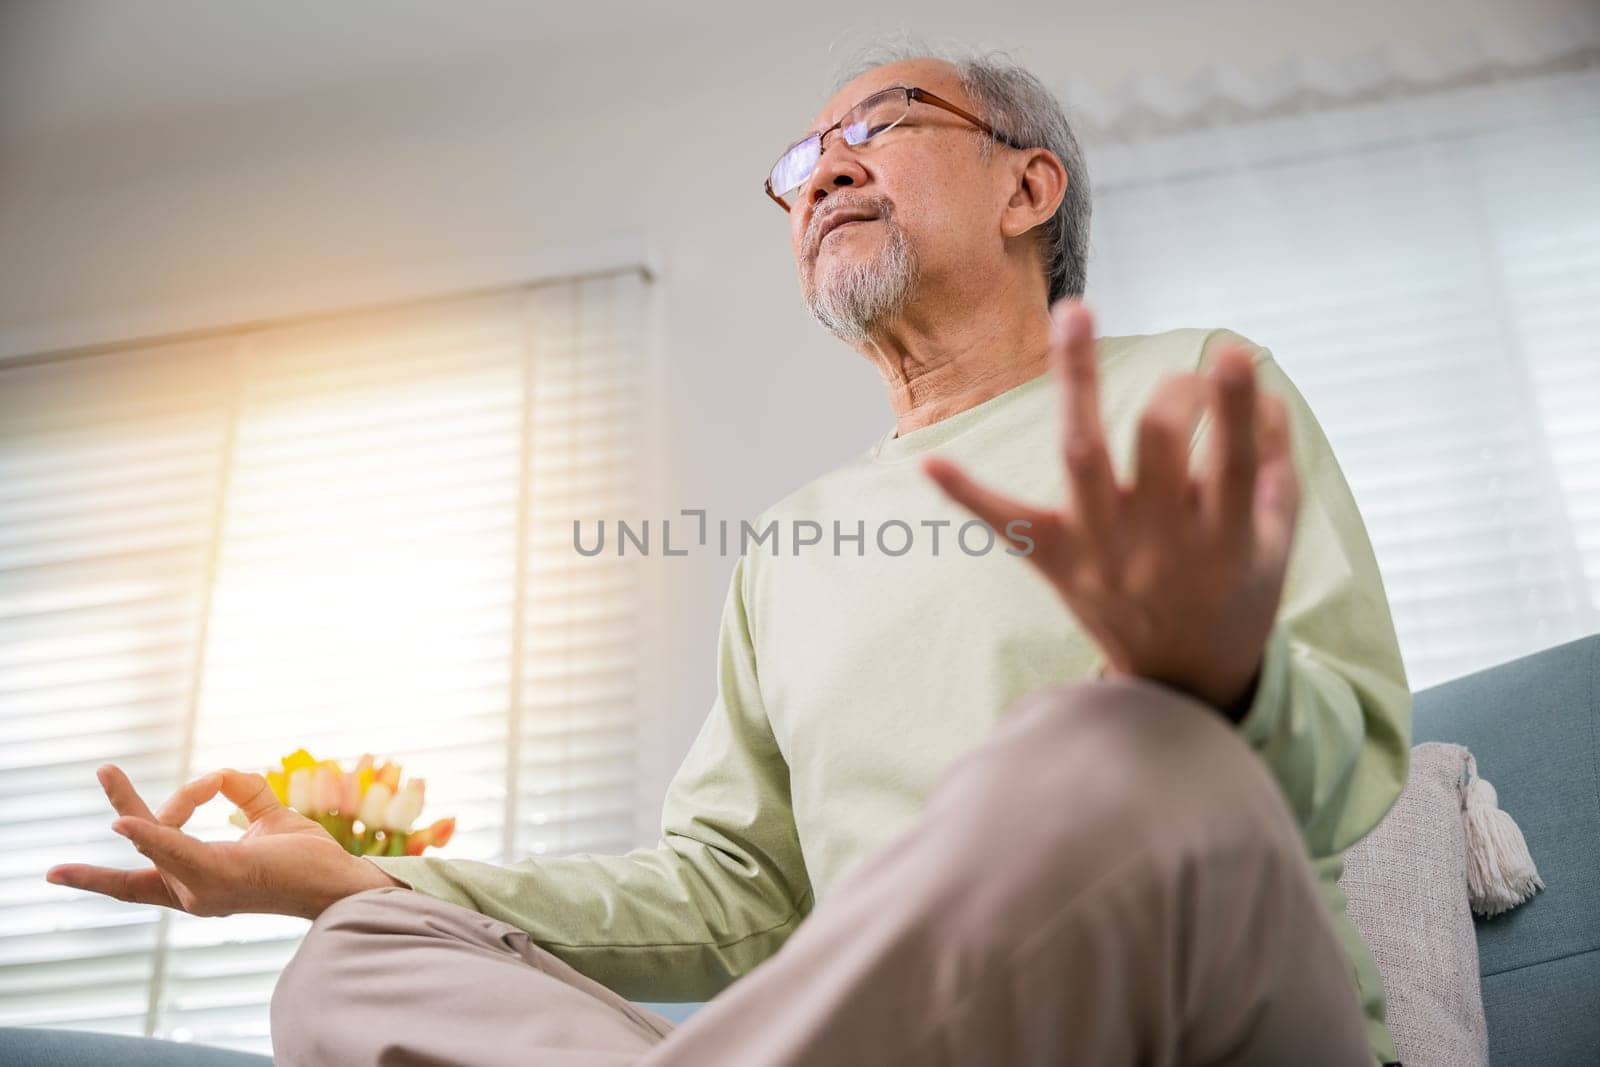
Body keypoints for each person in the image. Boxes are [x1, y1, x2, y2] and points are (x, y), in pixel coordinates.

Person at [47, 45, 1411, 1066]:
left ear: (1027, 185)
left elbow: (1353, 758)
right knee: (351, 971)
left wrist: (1218, 683)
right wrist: (363, 877)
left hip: (1189, 1006)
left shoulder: (1194, 387)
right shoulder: (793, 552)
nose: (824, 169)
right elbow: (731, 891)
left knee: (1117, 747)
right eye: (803, 159)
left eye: (881, 125)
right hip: (895, 1037)